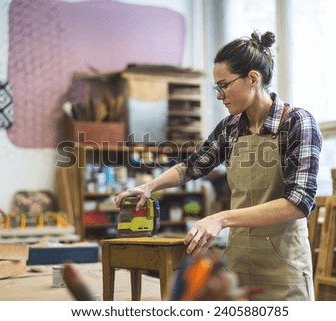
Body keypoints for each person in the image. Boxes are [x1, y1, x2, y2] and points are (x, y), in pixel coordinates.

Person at [115, 30, 322, 301]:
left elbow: (298, 204)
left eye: (224, 85)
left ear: (252, 79)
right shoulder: (231, 128)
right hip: (236, 269)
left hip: (283, 270)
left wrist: (220, 218)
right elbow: (191, 166)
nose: (219, 95)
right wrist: (149, 186)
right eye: (217, 87)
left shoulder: (297, 123)